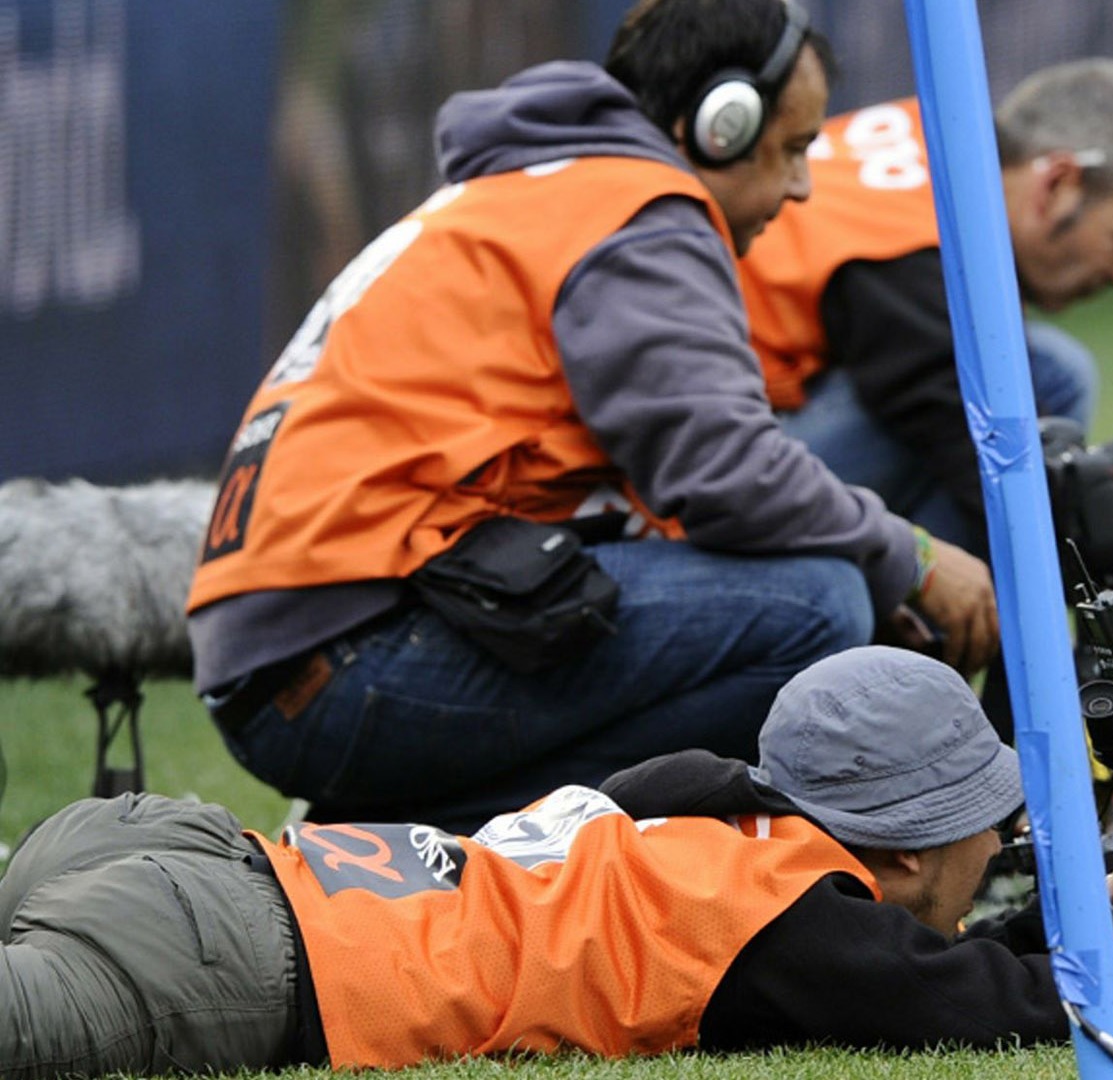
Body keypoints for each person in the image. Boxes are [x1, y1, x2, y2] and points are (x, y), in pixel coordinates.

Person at [184, 0, 998, 834]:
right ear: (718, 126)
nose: (802, 186)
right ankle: (417, 843)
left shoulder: (554, 193)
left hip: (304, 649)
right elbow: (725, 471)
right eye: (791, 149)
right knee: (815, 605)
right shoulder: (639, 210)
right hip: (342, 652)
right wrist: (912, 555)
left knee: (812, 589)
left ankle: (391, 834)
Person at [0, 646, 1113, 1075]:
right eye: (991, 830)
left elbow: (893, 965)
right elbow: (1036, 1015)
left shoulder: (705, 802)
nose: (1003, 849)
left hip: (176, 850)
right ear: (905, 853)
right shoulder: (792, 923)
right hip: (230, 958)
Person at [738, 59, 1113, 557]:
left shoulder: (934, 137)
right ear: (1057, 184)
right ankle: (924, 627)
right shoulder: (909, 251)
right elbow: (996, 474)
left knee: (1040, 372)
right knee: (1030, 381)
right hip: (711, 485)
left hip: (737, 420)